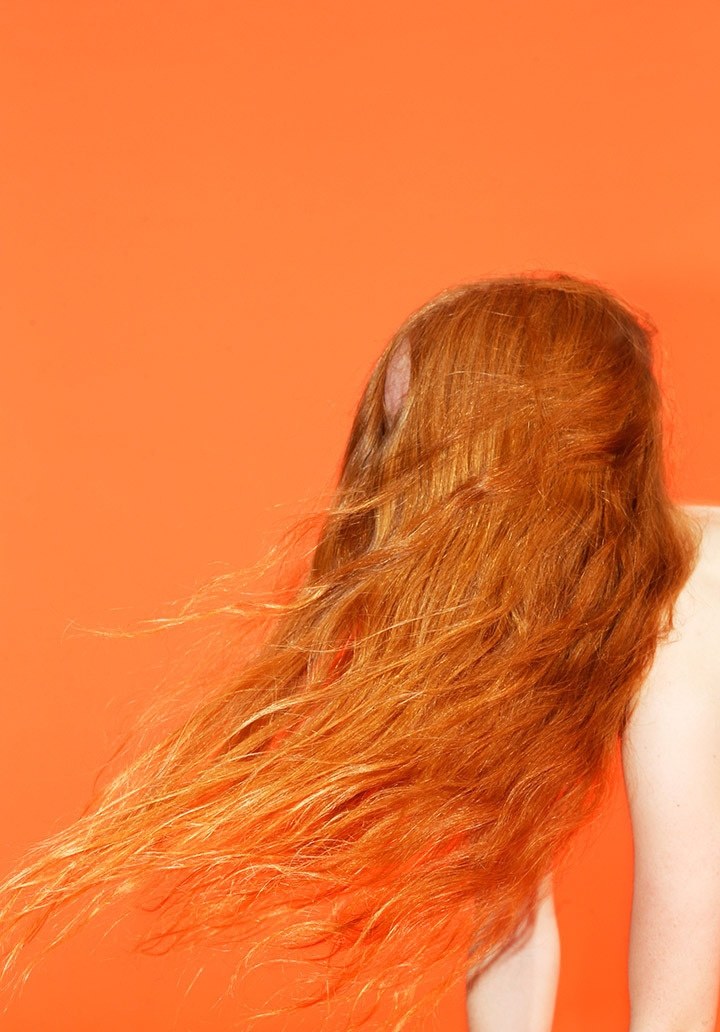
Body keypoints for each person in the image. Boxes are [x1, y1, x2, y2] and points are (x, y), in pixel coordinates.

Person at [0, 270, 714, 1032]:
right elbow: (508, 907)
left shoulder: (693, 600)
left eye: (430, 445)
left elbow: (679, 970)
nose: (398, 478)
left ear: (528, 448)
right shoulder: (534, 599)